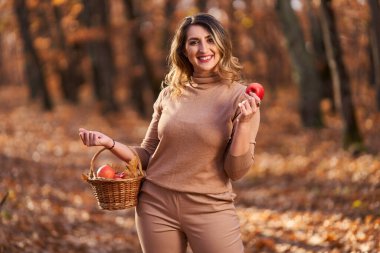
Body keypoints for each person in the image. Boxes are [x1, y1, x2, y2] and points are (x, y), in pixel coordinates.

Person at [79, 13, 261, 253]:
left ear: (222, 45)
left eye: (210, 39)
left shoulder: (242, 98)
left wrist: (244, 124)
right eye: (194, 42)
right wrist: (110, 143)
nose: (203, 48)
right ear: (184, 50)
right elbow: (146, 154)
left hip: (209, 207)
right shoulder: (169, 94)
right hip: (155, 205)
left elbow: (236, 171)